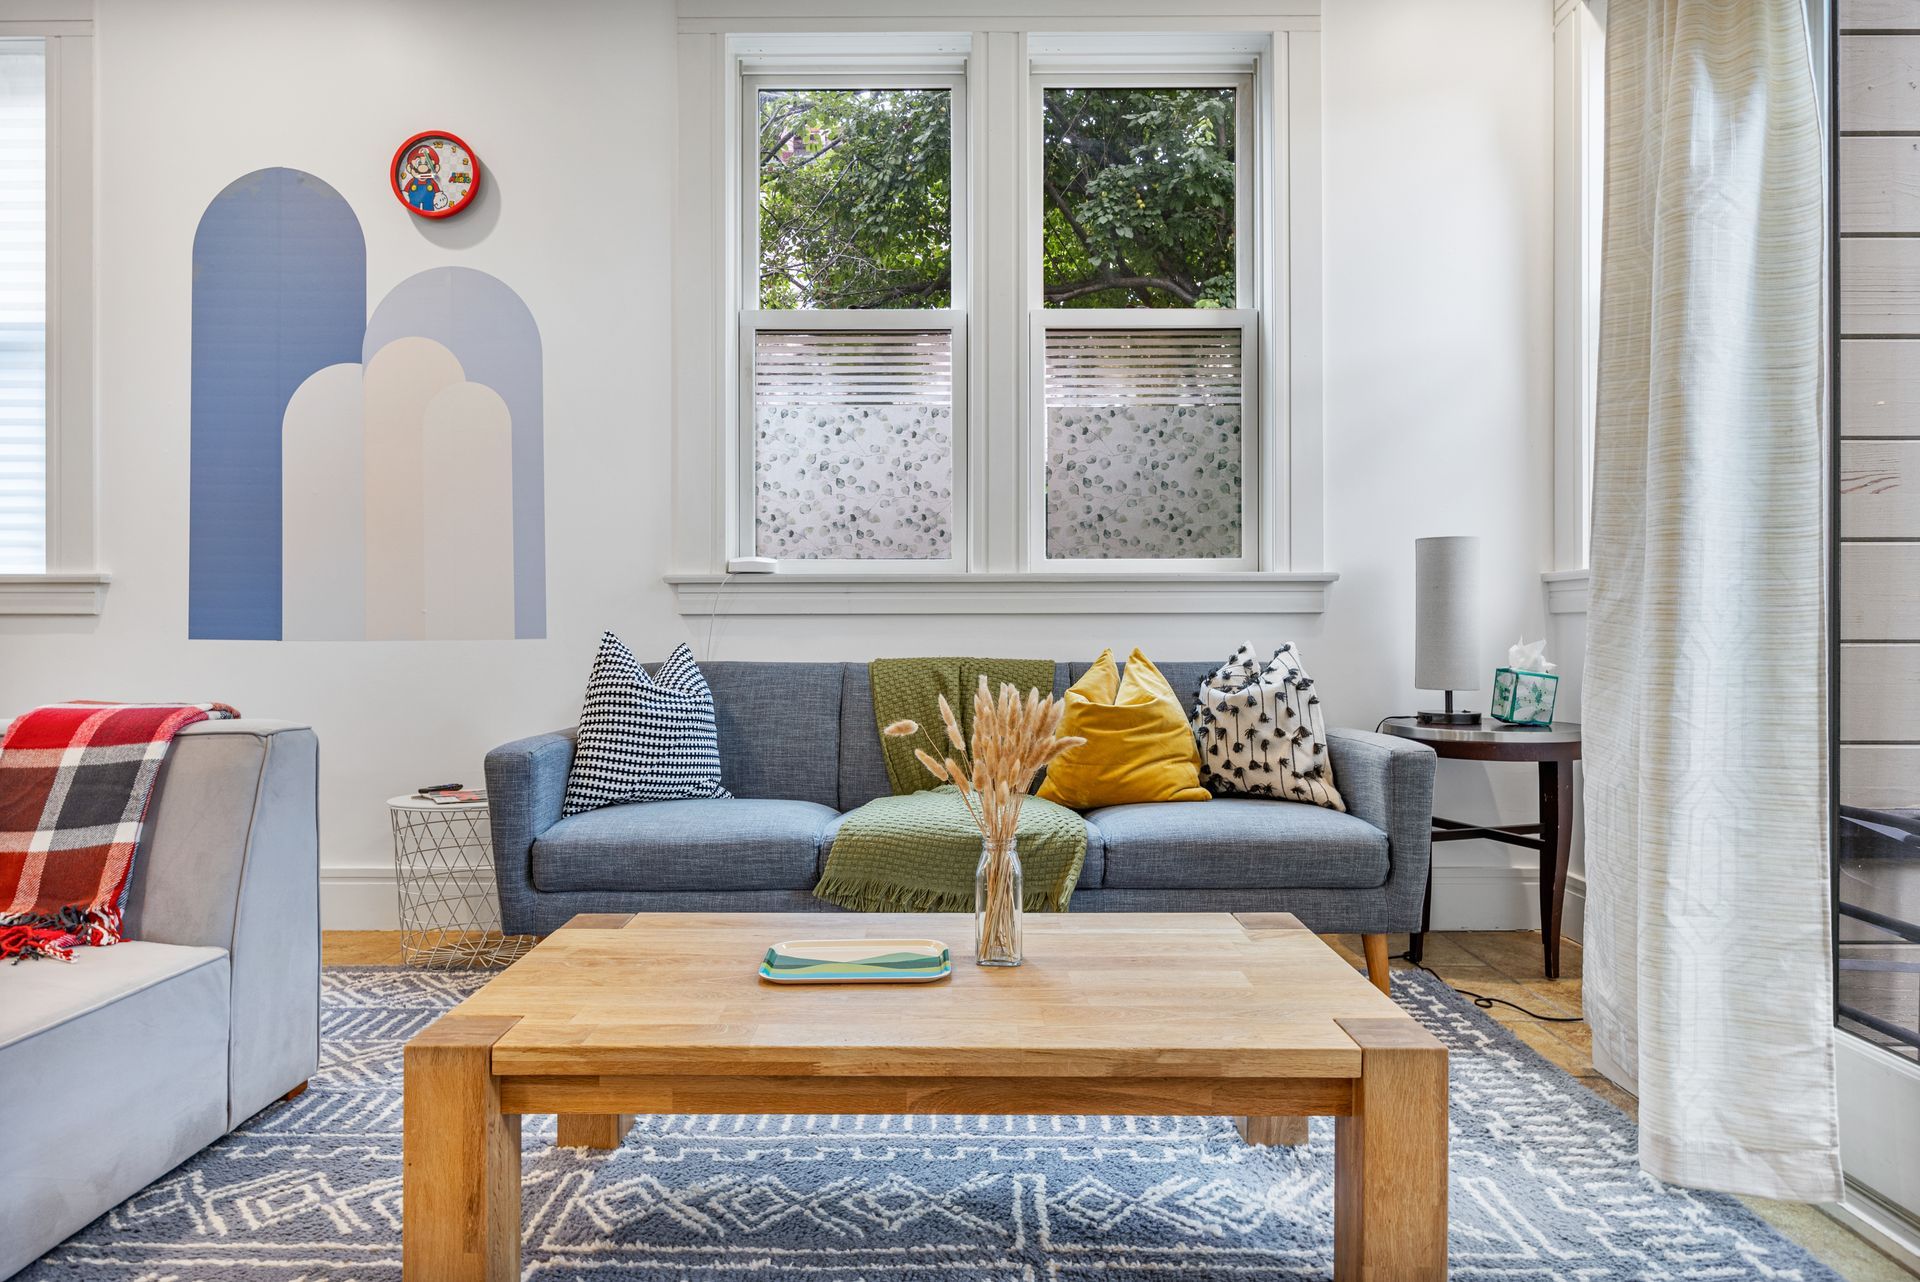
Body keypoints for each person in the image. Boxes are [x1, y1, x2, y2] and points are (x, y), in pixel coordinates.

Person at [399, 143, 449, 213]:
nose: (422, 168)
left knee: (429, 208)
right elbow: (406, 189)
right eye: (419, 163)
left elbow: (437, 189)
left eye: (426, 164)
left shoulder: (432, 181)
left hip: (429, 199)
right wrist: (405, 195)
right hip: (414, 199)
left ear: (436, 167)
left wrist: (438, 195)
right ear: (409, 168)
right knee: (414, 207)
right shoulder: (412, 181)